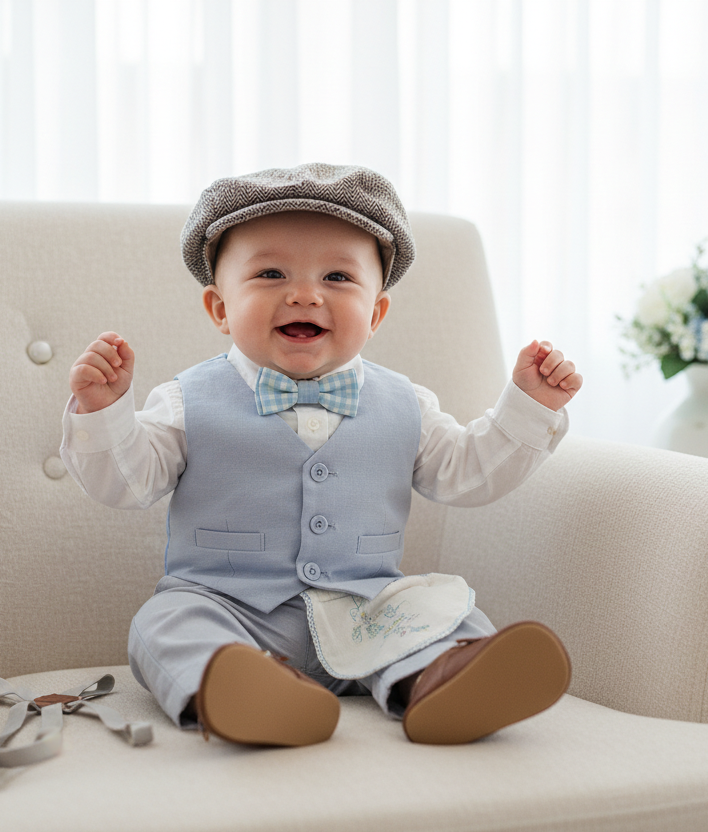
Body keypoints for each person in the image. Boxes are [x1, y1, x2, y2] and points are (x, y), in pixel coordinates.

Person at [60, 163, 582, 747]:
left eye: (337, 276)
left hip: (366, 607)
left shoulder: (407, 404)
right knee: (163, 626)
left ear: (377, 312)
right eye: (270, 273)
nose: (304, 293)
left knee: (446, 618)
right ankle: (251, 692)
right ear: (220, 309)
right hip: (231, 609)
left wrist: (527, 409)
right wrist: (106, 413)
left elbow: (468, 474)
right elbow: (126, 484)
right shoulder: (186, 401)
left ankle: (446, 680)